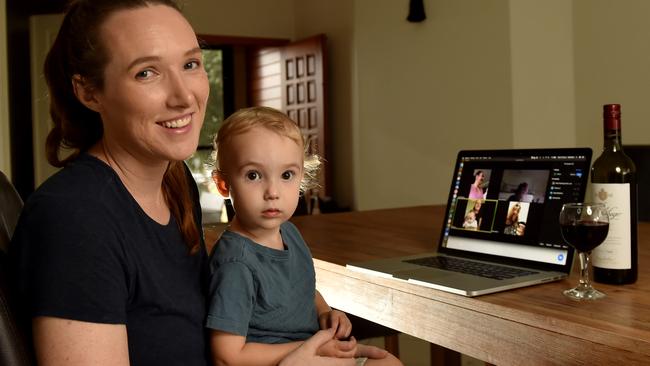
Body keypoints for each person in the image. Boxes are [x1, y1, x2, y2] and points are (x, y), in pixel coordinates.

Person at [8, 1, 380, 365]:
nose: (185, 97)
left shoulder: (175, 179)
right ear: (89, 92)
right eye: (146, 73)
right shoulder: (74, 218)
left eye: (190, 64)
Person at [207, 106, 402, 366]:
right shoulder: (236, 263)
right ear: (223, 185)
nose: (273, 191)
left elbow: (304, 290)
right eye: (253, 175)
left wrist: (325, 313)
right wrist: (311, 347)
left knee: (388, 363)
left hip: (310, 351)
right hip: (277, 360)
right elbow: (227, 356)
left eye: (286, 175)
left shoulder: (289, 232)